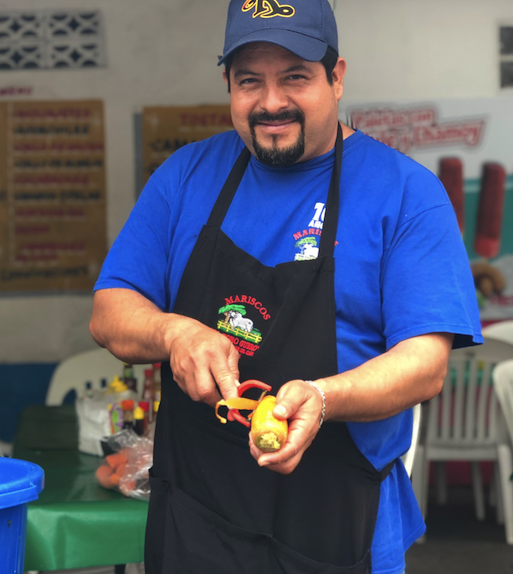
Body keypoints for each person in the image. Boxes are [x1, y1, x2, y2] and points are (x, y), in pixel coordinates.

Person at [90, 0, 482, 572]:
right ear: (228, 84)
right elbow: (109, 312)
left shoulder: (405, 194)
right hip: (197, 516)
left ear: (337, 77)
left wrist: (324, 398)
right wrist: (173, 332)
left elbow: (425, 363)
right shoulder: (185, 176)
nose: (271, 102)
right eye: (250, 81)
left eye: (295, 76)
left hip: (335, 519)